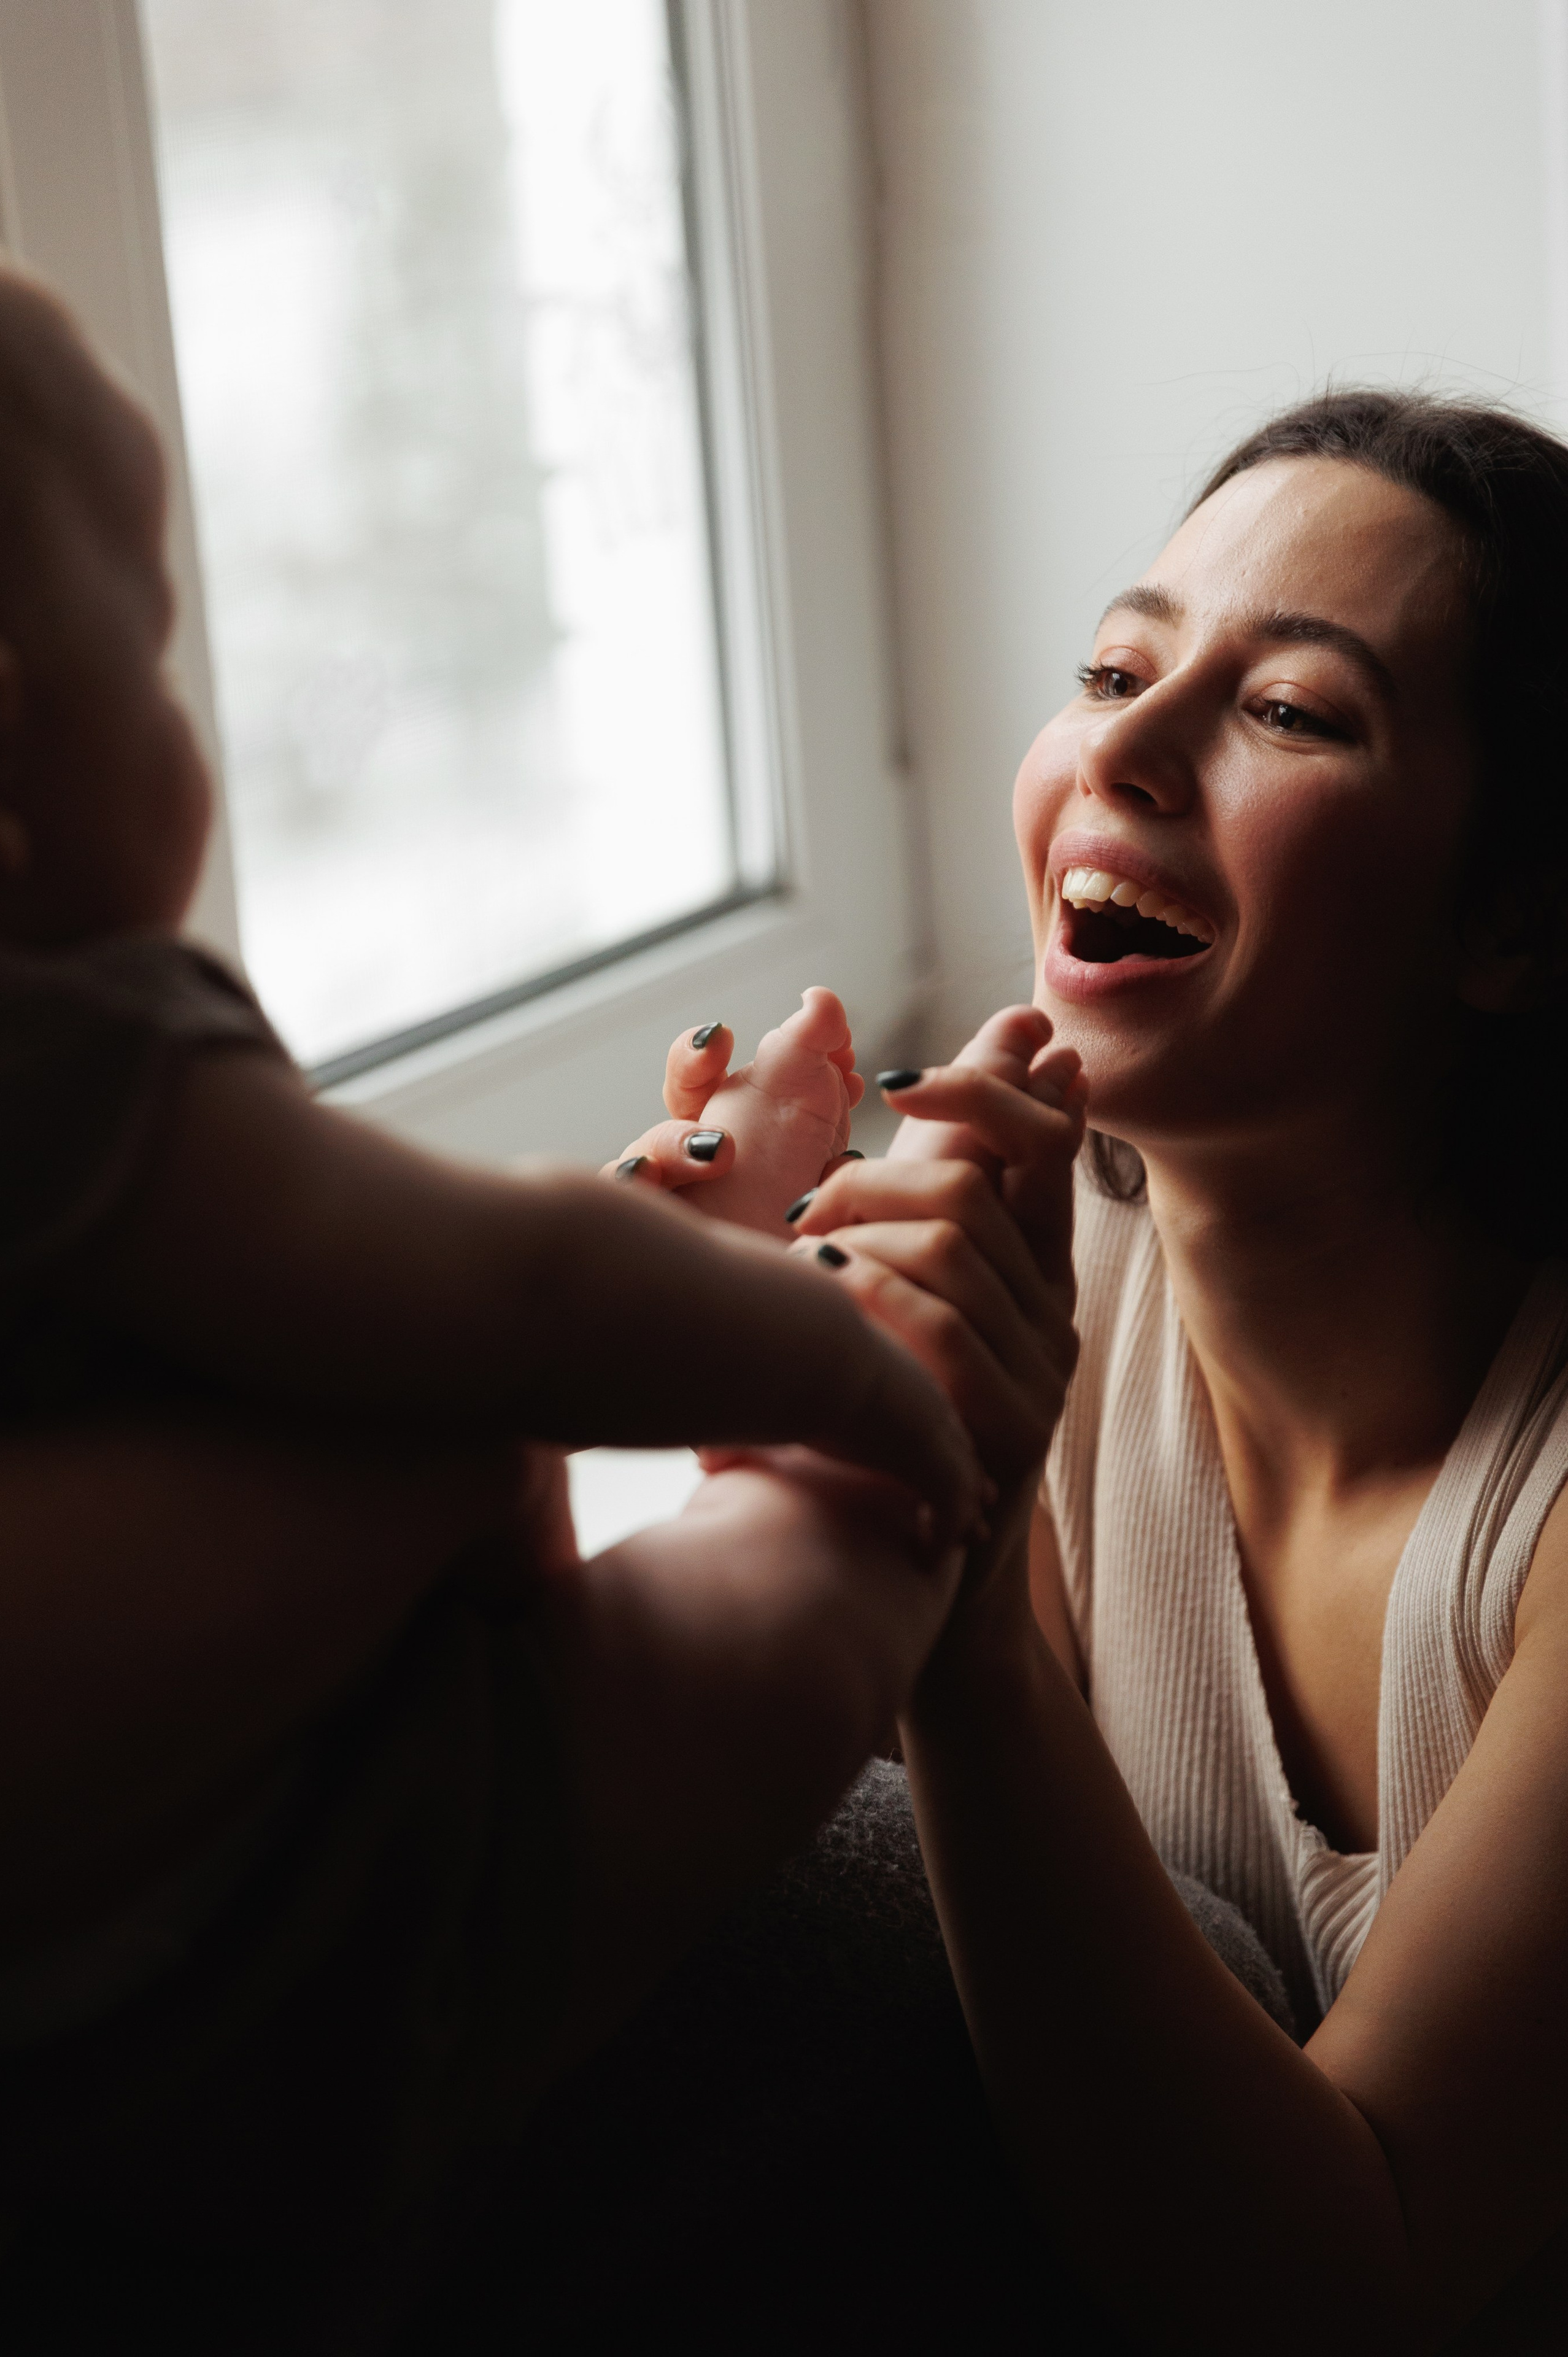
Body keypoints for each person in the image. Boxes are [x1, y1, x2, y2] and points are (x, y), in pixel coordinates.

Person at [0, 257, 1062, 2350]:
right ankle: (857, 1403)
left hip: (97, 2078)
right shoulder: (80, 1058)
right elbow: (506, 1292)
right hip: (337, 1923)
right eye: (161, 652)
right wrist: (834, 1364)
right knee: (784, 1612)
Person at [618, 392, 1568, 2348]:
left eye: (1291, 710)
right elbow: (969, 1983)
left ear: (1515, 918)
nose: (1122, 747)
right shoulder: (1053, 1279)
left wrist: (960, 1622)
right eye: (1117, 670)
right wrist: (795, 1461)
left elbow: (1351, 2289)